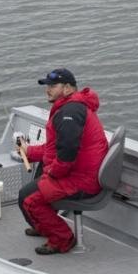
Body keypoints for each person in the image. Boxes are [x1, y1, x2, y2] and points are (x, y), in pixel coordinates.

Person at [16, 68, 108, 255]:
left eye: (53, 86)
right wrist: (29, 151)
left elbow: (67, 153)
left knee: (29, 200)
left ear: (67, 88)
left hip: (81, 181)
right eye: (47, 86)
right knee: (26, 193)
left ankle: (63, 240)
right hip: (78, 173)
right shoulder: (70, 107)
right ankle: (44, 226)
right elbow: (55, 148)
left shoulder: (70, 112)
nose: (47, 90)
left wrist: (51, 174)